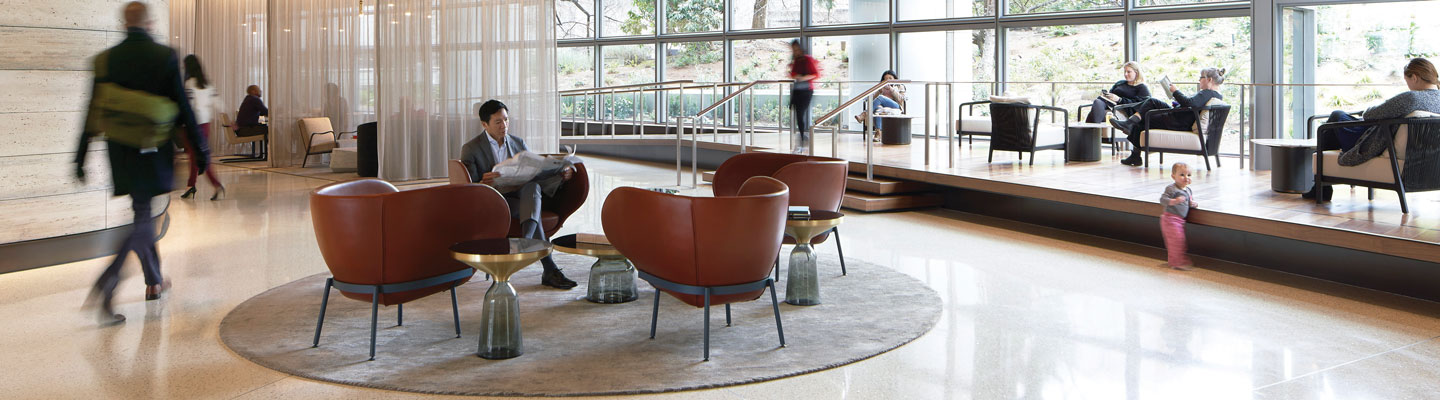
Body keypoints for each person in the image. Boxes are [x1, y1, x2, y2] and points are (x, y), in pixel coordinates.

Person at [77, 1, 209, 325]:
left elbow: (92, 111)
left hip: (120, 152)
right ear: (149, 23)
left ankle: (154, 280)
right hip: (154, 150)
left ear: (124, 24)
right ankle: (108, 280)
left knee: (141, 212)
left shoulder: (106, 60)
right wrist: (200, 149)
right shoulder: (164, 57)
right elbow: (183, 108)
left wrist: (80, 156)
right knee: (142, 221)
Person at [460, 100, 579, 290]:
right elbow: (468, 187)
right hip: (496, 201)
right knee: (532, 212)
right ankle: (549, 268)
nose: (504, 125)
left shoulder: (518, 143)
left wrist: (563, 171)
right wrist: (482, 182)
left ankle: (527, 240)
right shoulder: (471, 148)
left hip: (522, 194)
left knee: (533, 187)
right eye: (498, 122)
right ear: (484, 124)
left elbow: (535, 170)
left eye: (506, 120)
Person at [1303, 58, 1440, 200]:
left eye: (1407, 81)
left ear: (1415, 78)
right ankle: (1321, 187)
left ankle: (1321, 188)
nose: (1409, 87)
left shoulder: (1411, 98)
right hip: (1426, 160)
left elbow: (1370, 114)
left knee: (1335, 117)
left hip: (1376, 144)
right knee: (1337, 124)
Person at [1110, 67, 1227, 166]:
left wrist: (1175, 91)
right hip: (1178, 116)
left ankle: (1131, 136)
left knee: (1145, 116)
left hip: (1177, 121)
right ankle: (1130, 125)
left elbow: (1190, 103)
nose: (1199, 80)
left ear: (1209, 80)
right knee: (1152, 102)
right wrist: (1177, 100)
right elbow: (1192, 105)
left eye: (1201, 77)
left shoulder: (1207, 93)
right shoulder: (1216, 95)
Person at [180, 54, 225, 200]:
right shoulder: (207, 84)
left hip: (192, 124)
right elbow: (218, 103)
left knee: (199, 156)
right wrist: (229, 119)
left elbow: (188, 105)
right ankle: (190, 185)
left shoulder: (189, 83)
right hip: (205, 124)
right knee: (196, 155)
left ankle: (216, 184)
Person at [1158, 162, 1198, 271]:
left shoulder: (1188, 190)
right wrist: (1174, 201)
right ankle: (1178, 262)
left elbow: (1188, 201)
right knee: (1177, 241)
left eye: (1189, 175)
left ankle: (1174, 261)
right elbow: (1163, 200)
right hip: (1170, 219)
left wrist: (1192, 203)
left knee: (1178, 241)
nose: (1186, 177)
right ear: (1173, 176)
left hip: (1179, 221)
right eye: (1182, 175)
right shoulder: (1171, 188)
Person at [1087, 61, 1151, 123]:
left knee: (1099, 113)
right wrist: (1107, 96)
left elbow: (1141, 105)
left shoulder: (1142, 87)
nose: (1125, 74)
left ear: (1136, 73)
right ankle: (1093, 128)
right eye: (1125, 71)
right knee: (1097, 102)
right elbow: (1111, 93)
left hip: (1123, 110)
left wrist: (1119, 99)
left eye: (1129, 72)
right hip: (1110, 105)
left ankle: (1092, 128)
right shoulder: (1120, 83)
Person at [854, 70, 906, 142]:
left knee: (881, 98)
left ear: (894, 78)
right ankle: (878, 133)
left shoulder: (900, 86)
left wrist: (891, 90)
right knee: (877, 109)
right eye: (885, 79)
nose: (888, 80)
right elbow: (873, 99)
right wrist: (879, 91)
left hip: (895, 106)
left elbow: (901, 100)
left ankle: (864, 114)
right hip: (882, 107)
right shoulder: (881, 86)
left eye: (890, 78)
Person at [788, 39, 820, 154]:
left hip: (806, 91)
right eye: (794, 50)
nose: (795, 51)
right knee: (798, 115)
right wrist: (796, 75)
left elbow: (816, 74)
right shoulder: (796, 61)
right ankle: (802, 138)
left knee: (801, 114)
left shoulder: (807, 59)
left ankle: (803, 139)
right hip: (797, 91)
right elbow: (792, 74)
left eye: (796, 49)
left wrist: (803, 77)